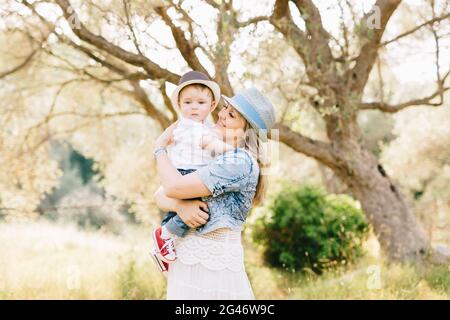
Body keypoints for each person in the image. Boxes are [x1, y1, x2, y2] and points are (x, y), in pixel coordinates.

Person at [153, 86, 276, 299]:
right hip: (189, 258)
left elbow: (172, 187)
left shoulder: (240, 161)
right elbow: (160, 194)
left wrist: (159, 148)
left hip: (212, 267)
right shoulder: (213, 154)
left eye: (231, 115)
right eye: (225, 108)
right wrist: (180, 206)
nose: (221, 114)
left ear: (246, 131)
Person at [151, 70, 233, 269]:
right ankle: (165, 236)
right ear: (179, 105)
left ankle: (164, 249)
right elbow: (206, 143)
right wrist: (232, 151)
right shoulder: (188, 126)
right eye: (187, 103)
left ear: (212, 105)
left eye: (200, 103)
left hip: (192, 171)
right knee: (201, 206)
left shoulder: (204, 125)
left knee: (187, 211)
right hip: (186, 172)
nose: (194, 107)